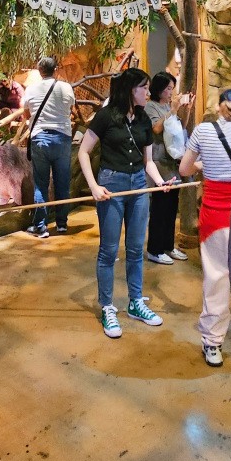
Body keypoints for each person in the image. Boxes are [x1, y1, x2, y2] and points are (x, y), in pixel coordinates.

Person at [78, 68, 175, 338]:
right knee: (109, 250)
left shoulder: (144, 118)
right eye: (143, 87)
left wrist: (158, 182)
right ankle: (108, 306)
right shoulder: (107, 116)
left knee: (135, 248)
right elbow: (84, 151)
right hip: (112, 184)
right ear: (130, 90)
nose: (147, 92)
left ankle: (135, 302)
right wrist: (94, 186)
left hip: (138, 186)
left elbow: (149, 162)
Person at [179, 88, 231, 367]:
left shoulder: (202, 130)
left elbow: (185, 170)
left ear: (219, 106)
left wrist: (205, 164)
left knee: (216, 276)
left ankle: (212, 343)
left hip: (214, 212)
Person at [22, 57, 77, 238]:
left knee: (41, 184)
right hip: (62, 138)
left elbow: (26, 114)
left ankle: (41, 226)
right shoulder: (66, 87)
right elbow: (71, 110)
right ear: (56, 69)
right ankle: (61, 224)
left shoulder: (31, 89)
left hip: (40, 138)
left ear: (39, 71)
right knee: (62, 182)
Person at [144, 71, 193, 264]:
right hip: (159, 162)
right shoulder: (151, 107)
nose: (171, 92)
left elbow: (181, 129)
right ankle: (154, 249)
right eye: (168, 89)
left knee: (172, 208)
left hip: (173, 162)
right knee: (159, 207)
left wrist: (187, 109)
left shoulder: (168, 106)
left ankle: (168, 245)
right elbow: (156, 129)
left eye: (172, 88)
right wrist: (172, 110)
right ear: (159, 89)